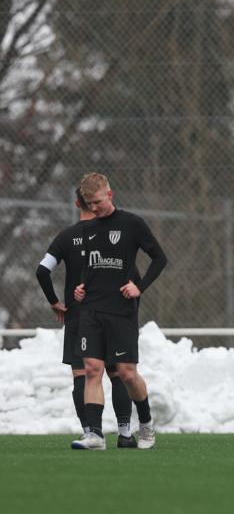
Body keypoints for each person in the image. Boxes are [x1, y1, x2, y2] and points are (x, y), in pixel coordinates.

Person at [70, 173, 168, 450]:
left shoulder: (132, 223)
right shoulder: (87, 229)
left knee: (126, 373)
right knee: (92, 369)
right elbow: (91, 266)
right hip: (91, 309)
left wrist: (139, 287)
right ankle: (95, 436)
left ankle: (146, 425)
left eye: (98, 202)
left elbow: (160, 259)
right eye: (89, 203)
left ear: (110, 195)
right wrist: (81, 287)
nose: (94, 207)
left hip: (121, 311)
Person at [35, 188, 137, 448]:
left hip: (79, 316)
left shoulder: (66, 236)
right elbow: (133, 275)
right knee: (116, 374)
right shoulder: (112, 235)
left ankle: (91, 432)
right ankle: (125, 434)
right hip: (113, 314)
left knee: (83, 375)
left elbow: (42, 271)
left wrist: (55, 302)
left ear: (76, 203)